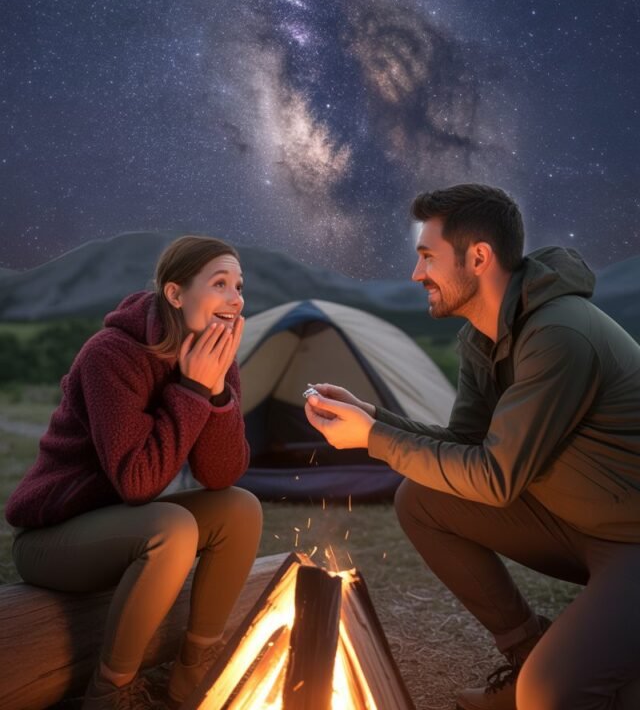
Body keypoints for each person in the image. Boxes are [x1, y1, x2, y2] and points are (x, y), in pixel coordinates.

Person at [304, 184, 640, 710]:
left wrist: (372, 437)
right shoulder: (483, 338)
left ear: (478, 257)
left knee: (553, 694)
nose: (416, 274)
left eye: (427, 257)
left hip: (632, 539)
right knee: (423, 499)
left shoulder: (558, 335)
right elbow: (465, 444)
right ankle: (528, 653)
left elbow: (496, 478)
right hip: (581, 526)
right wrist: (374, 418)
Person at [5, 235, 263, 710]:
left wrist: (216, 391)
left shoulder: (212, 356)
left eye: (239, 286)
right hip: (52, 537)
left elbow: (221, 475)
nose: (236, 299)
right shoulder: (110, 355)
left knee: (240, 509)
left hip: (120, 527)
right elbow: (138, 482)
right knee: (173, 527)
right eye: (220, 284)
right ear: (175, 293)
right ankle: (109, 691)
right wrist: (191, 390)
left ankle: (195, 668)